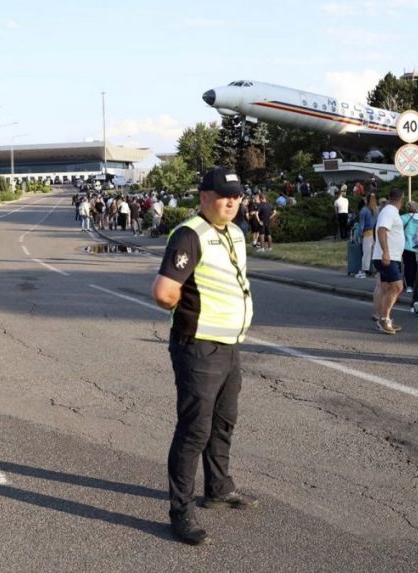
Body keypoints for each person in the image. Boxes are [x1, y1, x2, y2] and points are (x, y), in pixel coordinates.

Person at [151, 166, 257, 546]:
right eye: (223, 194)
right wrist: (190, 312)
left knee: (224, 421)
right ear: (204, 197)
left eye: (236, 195)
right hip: (199, 348)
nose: (231, 201)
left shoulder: (236, 233)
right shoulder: (189, 235)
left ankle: (218, 486)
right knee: (195, 429)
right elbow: (164, 292)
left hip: (229, 345)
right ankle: (180, 512)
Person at [372, 188, 406, 334]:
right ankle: (384, 319)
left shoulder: (390, 211)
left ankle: (384, 318)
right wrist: (386, 252)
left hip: (391, 256)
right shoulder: (389, 212)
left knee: (387, 287)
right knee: (397, 287)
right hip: (387, 257)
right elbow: (382, 230)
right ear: (401, 199)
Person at [400, 200, 418, 294]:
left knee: (408, 266)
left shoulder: (403, 218)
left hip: (407, 246)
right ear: (417, 208)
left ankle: (409, 286)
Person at [354, 194, 378, 278]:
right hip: (375, 233)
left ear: (366, 200)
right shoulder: (376, 210)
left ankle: (364, 271)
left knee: (366, 253)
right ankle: (376, 271)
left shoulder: (364, 210)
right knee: (375, 253)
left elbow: (361, 225)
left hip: (367, 233)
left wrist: (360, 235)